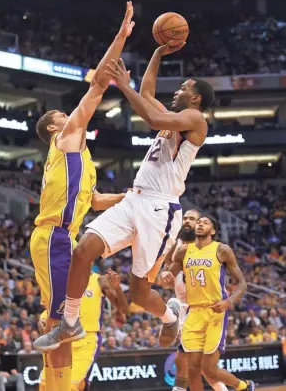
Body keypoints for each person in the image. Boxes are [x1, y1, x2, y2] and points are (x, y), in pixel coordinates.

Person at [34, 39, 215, 351]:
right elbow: (146, 96)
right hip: (135, 199)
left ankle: (170, 317)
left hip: (160, 209)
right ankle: (70, 323)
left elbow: (152, 117)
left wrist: (123, 85)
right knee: (82, 252)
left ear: (196, 98)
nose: (176, 91)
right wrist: (157, 53)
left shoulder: (196, 120)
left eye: (183, 88)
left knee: (140, 295)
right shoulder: (176, 118)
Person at [31, 2, 135, 391]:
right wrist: (121, 37)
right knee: (60, 326)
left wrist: (130, 197)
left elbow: (93, 202)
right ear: (56, 126)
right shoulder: (66, 137)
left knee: (58, 324)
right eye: (64, 112)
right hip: (55, 237)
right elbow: (97, 85)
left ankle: (54, 381)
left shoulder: (81, 159)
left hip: (60, 237)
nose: (70, 113)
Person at [159, 215, 254, 391]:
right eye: (199, 222)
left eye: (206, 223)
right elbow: (166, 281)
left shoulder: (222, 250)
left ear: (213, 231)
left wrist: (228, 302)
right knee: (193, 369)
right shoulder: (183, 251)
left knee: (209, 369)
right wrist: (164, 275)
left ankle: (244, 386)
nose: (201, 224)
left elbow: (242, 284)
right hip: (193, 312)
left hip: (215, 311)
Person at [38, 269, 128, 391]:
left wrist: (117, 288)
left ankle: (81, 384)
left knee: (69, 386)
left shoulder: (99, 280)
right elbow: (53, 306)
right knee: (45, 385)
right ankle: (83, 384)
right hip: (62, 338)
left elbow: (123, 309)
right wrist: (43, 318)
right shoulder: (62, 280)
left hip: (86, 340)